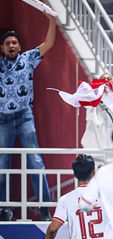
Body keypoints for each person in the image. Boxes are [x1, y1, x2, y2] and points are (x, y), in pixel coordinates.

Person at [0, 11, 57, 221]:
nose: (12, 45)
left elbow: (48, 43)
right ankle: (3, 209)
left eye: (14, 42)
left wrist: (51, 18)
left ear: (20, 46)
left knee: (34, 160)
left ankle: (43, 208)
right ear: (2, 48)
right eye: (7, 43)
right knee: (2, 165)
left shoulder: (28, 59)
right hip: (3, 119)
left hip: (24, 117)